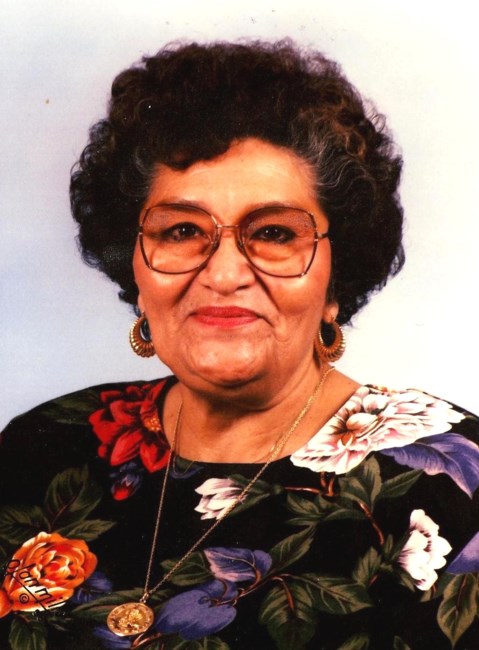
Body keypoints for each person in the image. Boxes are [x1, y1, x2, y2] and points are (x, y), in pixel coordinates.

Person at [0, 40, 478, 650]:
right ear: (135, 269)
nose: (224, 274)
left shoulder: (455, 490)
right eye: (181, 230)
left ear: (337, 278)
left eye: (274, 233)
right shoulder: (38, 448)